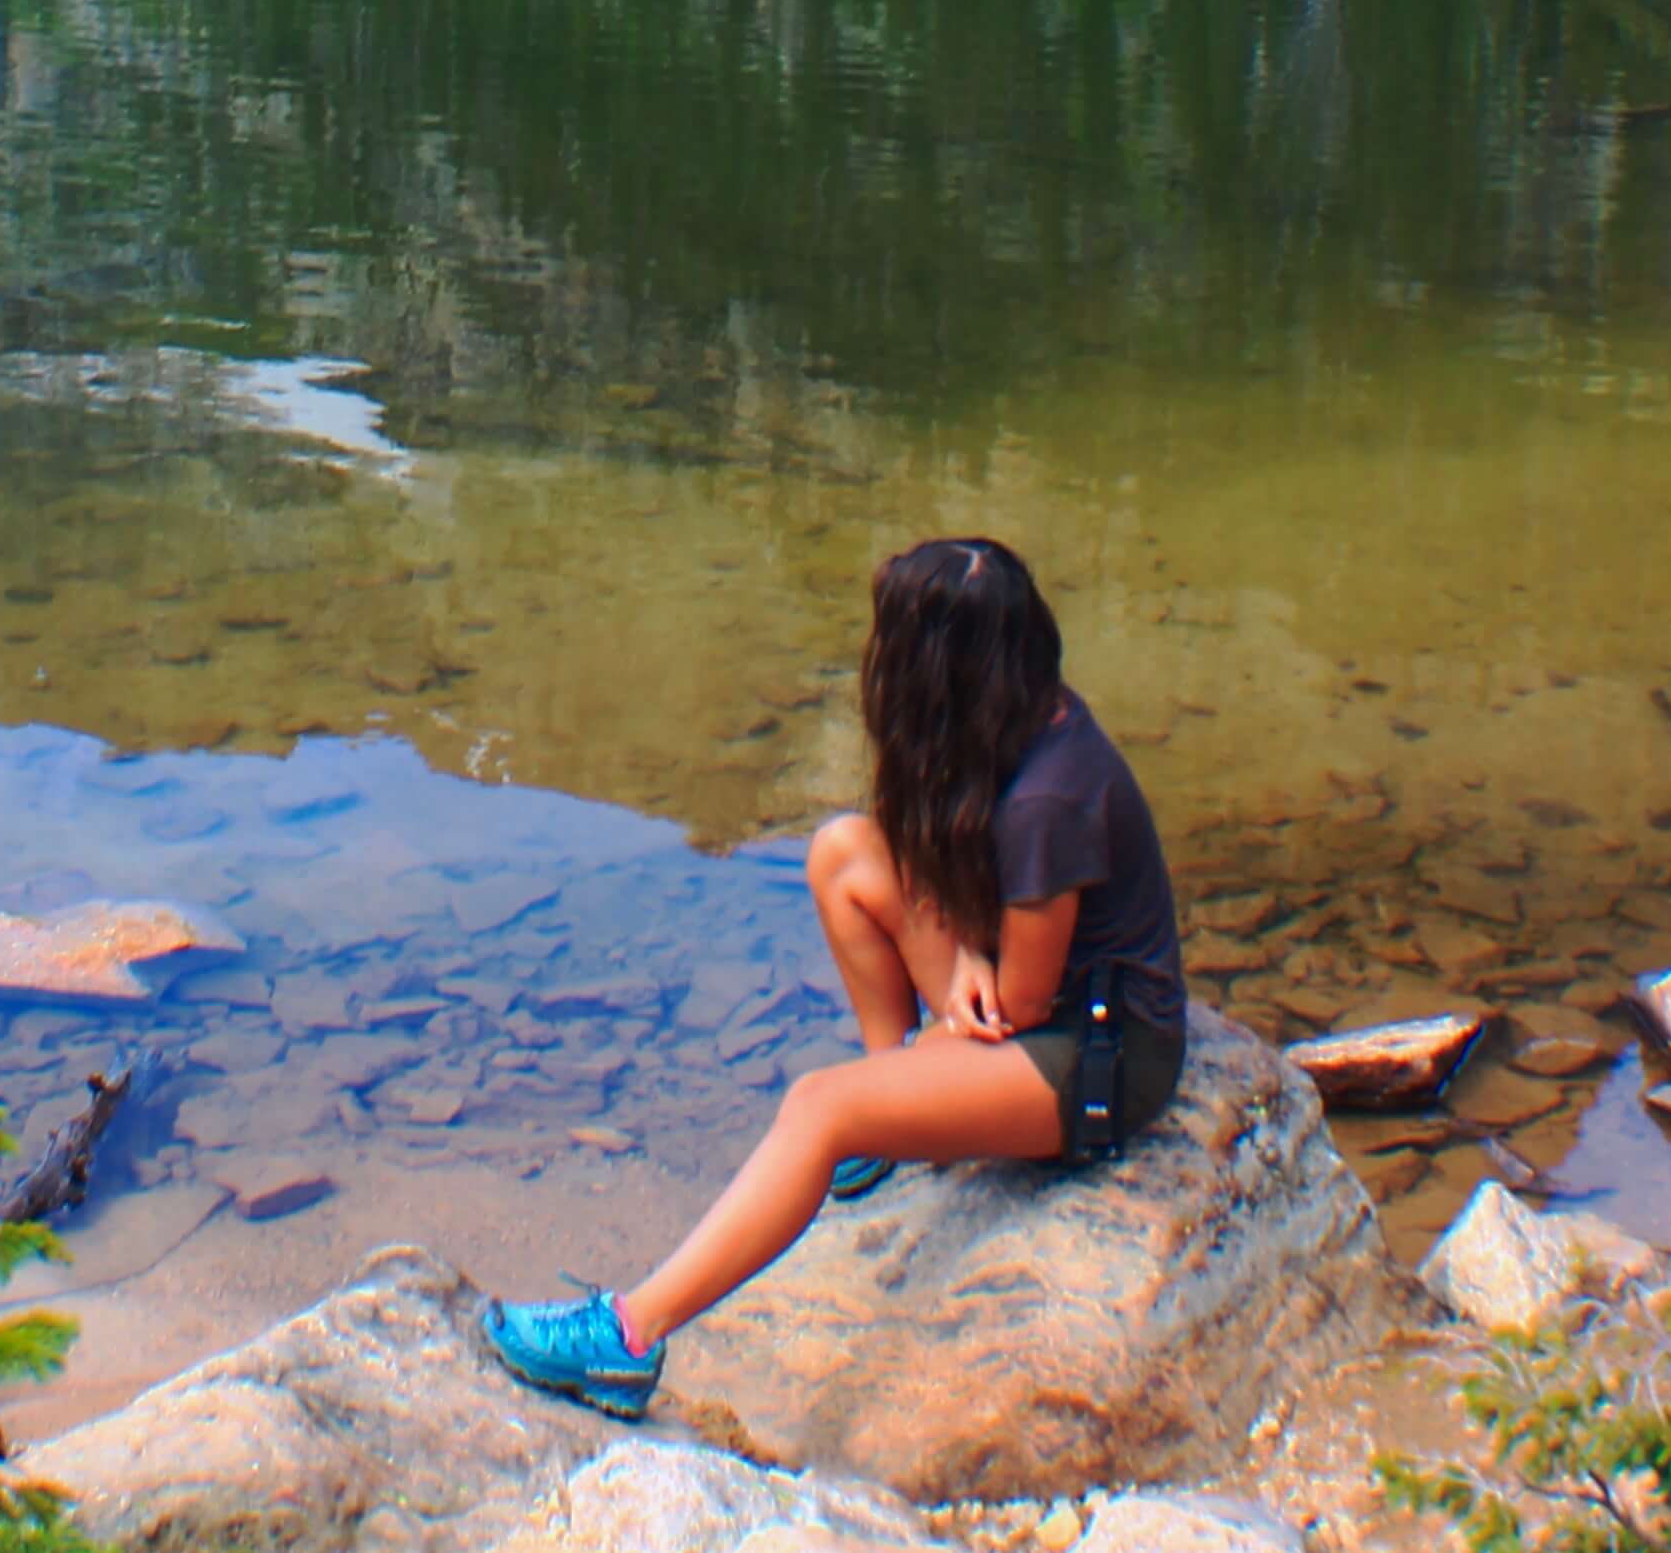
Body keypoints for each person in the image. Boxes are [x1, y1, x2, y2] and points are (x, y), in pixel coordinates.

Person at [479, 536, 1187, 1420]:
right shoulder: (1020, 711)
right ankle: (899, 1121)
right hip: (1036, 1000)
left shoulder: (1052, 798)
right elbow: (959, 886)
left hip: (1100, 1060)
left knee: (819, 1106)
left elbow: (1028, 1001)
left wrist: (974, 974)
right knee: (844, 853)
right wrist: (967, 952)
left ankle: (627, 1335)